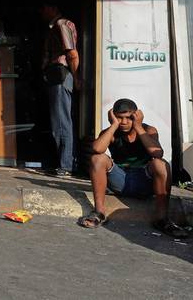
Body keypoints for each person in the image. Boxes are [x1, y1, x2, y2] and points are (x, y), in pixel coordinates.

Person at [79, 99, 188, 238]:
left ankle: (162, 219)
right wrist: (113, 125)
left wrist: (138, 126)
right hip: (120, 180)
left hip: (144, 180)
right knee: (97, 159)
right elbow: (96, 149)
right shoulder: (112, 132)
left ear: (136, 116)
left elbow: (157, 153)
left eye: (129, 117)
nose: (124, 122)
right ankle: (99, 212)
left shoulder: (148, 130)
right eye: (119, 117)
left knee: (161, 164)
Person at [40, 0, 79, 177]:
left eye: (44, 8)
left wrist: (76, 77)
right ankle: (63, 163)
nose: (42, 12)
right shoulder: (58, 25)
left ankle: (66, 165)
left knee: (61, 122)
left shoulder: (62, 25)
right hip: (58, 75)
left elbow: (72, 53)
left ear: (53, 8)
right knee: (60, 120)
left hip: (61, 75)